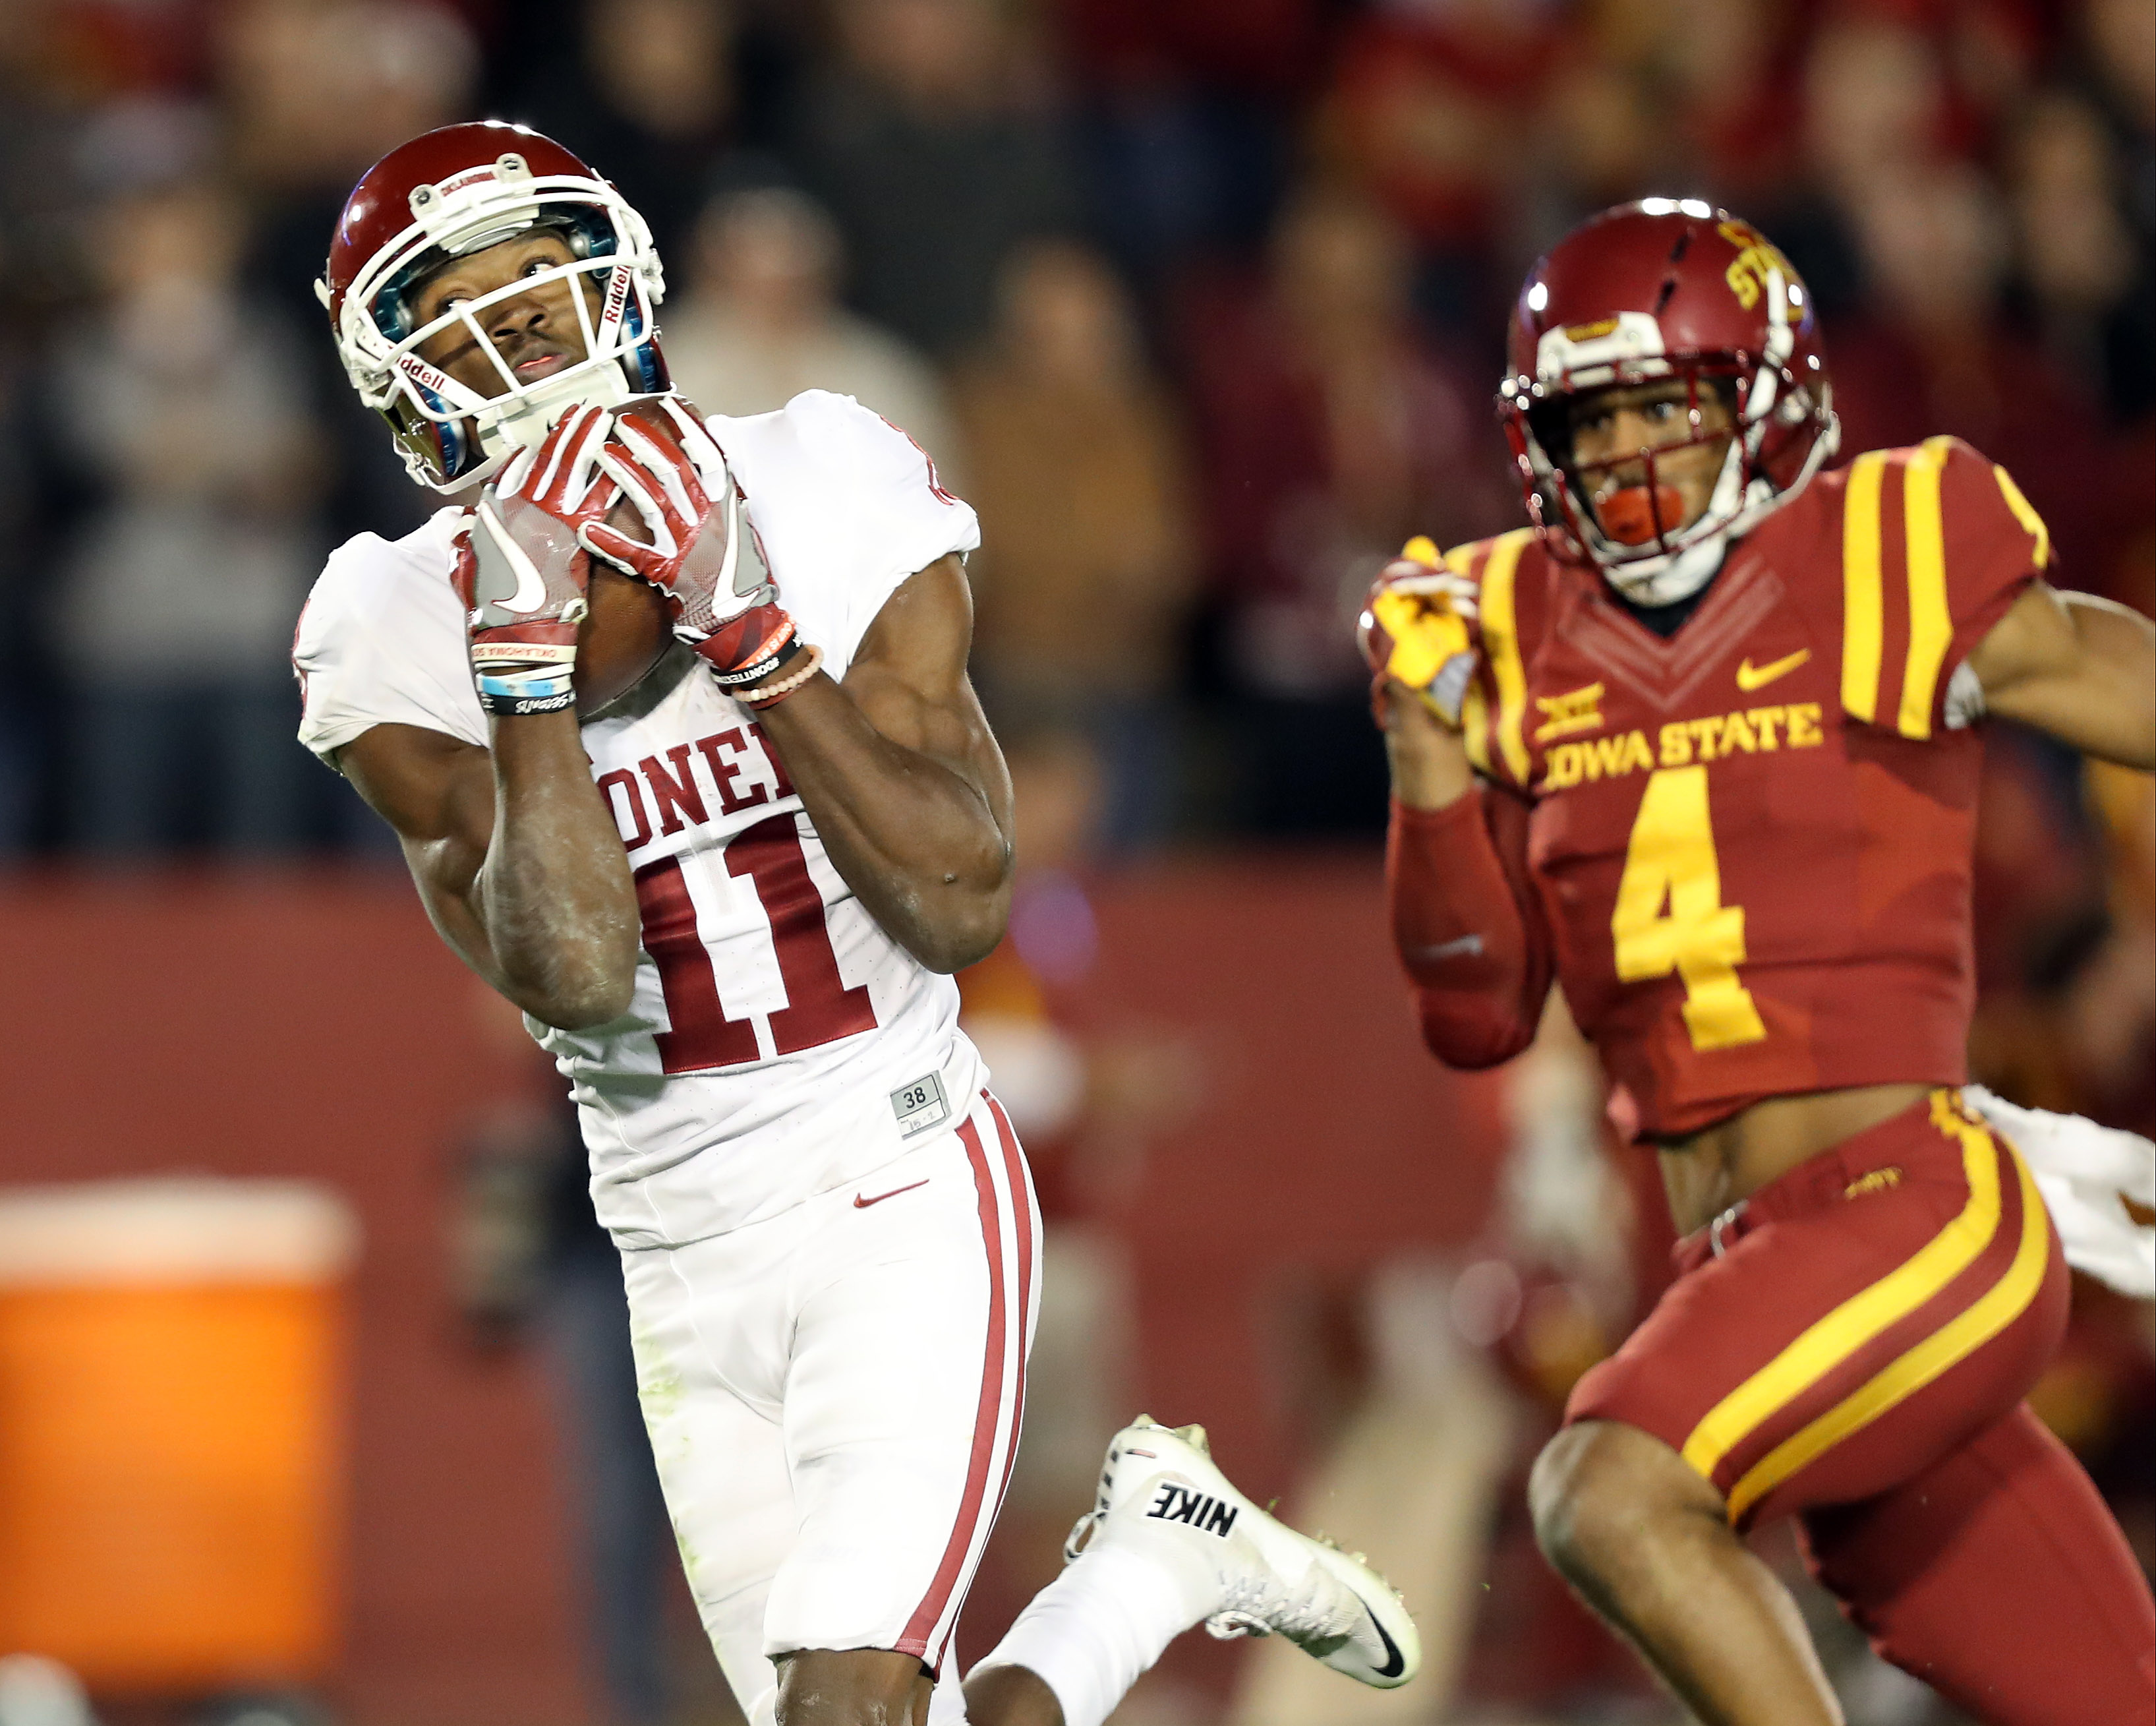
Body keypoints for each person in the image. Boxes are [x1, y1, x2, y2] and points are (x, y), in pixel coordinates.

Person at [289, 122, 1418, 1726]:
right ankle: (1148, 1570)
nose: (523, 316)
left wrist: (755, 639)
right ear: (399, 377)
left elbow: (963, 897)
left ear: (617, 271)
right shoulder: (382, 623)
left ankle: (1139, 1573)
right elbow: (581, 976)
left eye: (539, 270)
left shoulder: (825, 471)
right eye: (461, 298)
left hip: (889, 1166)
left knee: (848, 1711)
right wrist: (526, 672)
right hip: (674, 1240)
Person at [1360, 198, 2156, 1725]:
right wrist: (1424, 761)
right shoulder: (1505, 621)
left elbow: (2112, 678)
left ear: (1765, 394)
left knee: (1603, 1491)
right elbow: (1470, 1013)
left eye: (1661, 409)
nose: (1621, 463)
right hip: (1733, 1267)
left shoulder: (1882, 545)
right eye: (1588, 427)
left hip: (1904, 1212)